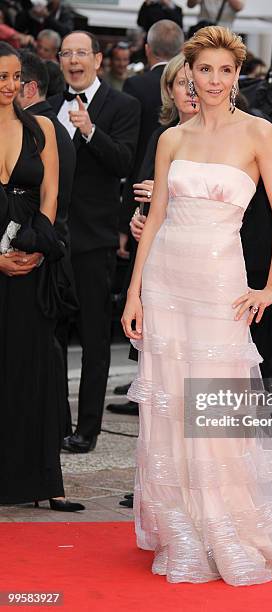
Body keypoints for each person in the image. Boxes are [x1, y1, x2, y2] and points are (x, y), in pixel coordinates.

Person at [122, 25, 272, 585]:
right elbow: (155, 223)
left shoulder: (259, 133)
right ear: (188, 75)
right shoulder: (173, 139)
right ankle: (182, 528)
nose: (215, 81)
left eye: (226, 71)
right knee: (171, 406)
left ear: (237, 76)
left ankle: (228, 525)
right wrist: (133, 292)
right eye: (205, 70)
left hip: (222, 282)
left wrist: (271, 286)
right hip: (167, 283)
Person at [0, 41, 83, 511]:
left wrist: (37, 241)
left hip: (32, 260)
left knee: (32, 367)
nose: (10, 85)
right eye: (0, 77)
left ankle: (39, 480)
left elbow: (50, 191)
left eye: (15, 76)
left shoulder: (43, 129)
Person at [49, 30, 141, 453]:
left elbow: (123, 162)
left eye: (81, 53)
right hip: (51, 240)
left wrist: (89, 131)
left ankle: (87, 429)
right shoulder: (48, 108)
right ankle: (55, 423)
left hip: (94, 240)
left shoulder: (122, 106)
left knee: (93, 341)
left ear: (98, 60)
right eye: (66, 53)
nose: (73, 60)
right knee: (50, 336)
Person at [107, 52, 199, 422]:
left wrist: (165, 197)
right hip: (157, 254)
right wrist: (136, 219)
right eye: (182, 83)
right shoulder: (162, 136)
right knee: (161, 353)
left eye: (195, 82)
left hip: (197, 257)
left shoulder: (224, 138)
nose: (191, 91)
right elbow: (141, 190)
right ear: (169, 91)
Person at [121, 19, 184, 248]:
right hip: (146, 207)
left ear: (147, 49)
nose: (188, 93)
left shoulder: (135, 85)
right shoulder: (160, 135)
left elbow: (132, 152)